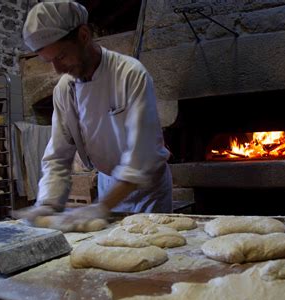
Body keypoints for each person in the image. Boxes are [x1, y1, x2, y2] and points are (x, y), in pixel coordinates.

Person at [16, 1, 172, 224]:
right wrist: (47, 204)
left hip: (148, 190)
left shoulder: (129, 74)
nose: (57, 70)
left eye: (60, 57)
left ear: (83, 35)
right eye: (49, 61)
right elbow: (58, 157)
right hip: (109, 185)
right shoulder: (65, 90)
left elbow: (141, 156)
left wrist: (101, 208)